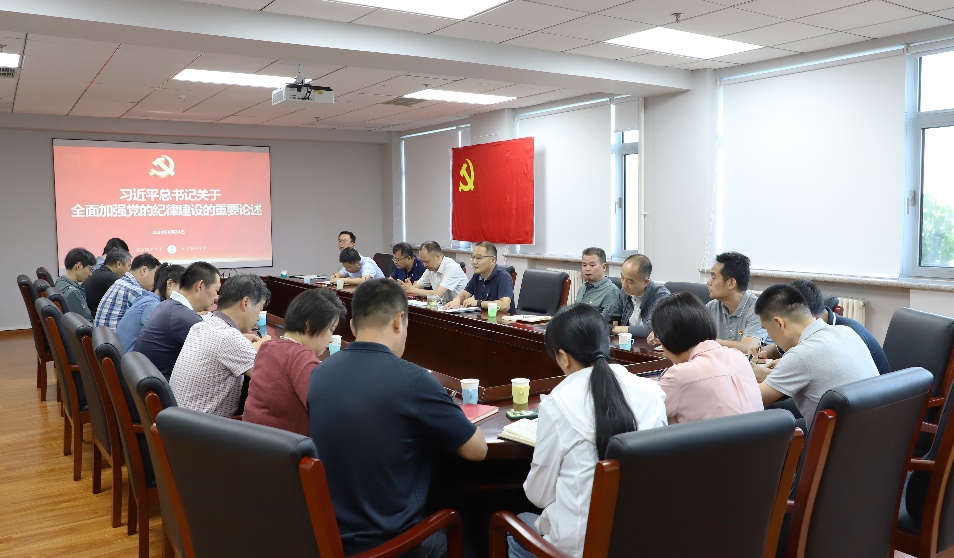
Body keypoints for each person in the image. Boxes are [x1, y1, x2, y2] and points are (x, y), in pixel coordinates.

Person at [308, 279, 487, 556]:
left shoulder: (320, 372)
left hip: (330, 538)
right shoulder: (414, 380)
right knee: (474, 544)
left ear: (353, 326)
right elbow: (477, 450)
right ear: (398, 320)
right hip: (392, 545)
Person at [509, 304, 667, 558]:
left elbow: (538, 496)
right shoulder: (652, 392)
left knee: (513, 526)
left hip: (577, 549)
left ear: (563, 356)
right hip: (641, 540)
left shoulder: (557, 404)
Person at [754, 284, 878, 429]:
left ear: (778, 323)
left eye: (766, 329)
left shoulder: (800, 355)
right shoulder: (847, 332)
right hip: (872, 433)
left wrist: (740, 373)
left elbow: (751, 401)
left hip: (833, 439)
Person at [243, 289, 346, 435]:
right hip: (286, 445)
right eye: (331, 330)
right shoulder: (301, 357)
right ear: (309, 326)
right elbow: (328, 413)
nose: (330, 339)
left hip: (252, 439)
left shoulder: (267, 346)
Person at [652, 292, 763, 424]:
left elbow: (645, 410)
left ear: (668, 338)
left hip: (716, 438)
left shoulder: (680, 375)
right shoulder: (738, 356)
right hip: (760, 436)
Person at [170, 274, 271, 417]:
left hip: (179, 420)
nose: (258, 317)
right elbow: (269, 379)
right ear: (246, 302)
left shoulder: (201, 326)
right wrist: (265, 346)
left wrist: (243, 342)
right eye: (259, 309)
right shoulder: (229, 338)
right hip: (203, 427)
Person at [754, 279, 890, 375]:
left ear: (804, 314)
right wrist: (765, 351)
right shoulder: (813, 330)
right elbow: (782, 350)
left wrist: (773, 374)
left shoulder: (847, 334)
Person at [136, 262, 221, 379]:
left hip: (149, 381)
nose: (216, 298)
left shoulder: (168, 306)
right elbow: (220, 349)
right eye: (216, 290)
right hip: (165, 386)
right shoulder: (183, 317)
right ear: (200, 286)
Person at [703, 251, 768, 352]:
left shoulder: (758, 309)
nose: (708, 282)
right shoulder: (711, 307)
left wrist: (708, 342)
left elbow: (748, 348)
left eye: (713, 277)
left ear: (731, 283)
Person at [116, 263, 185, 352]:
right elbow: (168, 336)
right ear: (170, 284)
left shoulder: (147, 299)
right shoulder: (153, 306)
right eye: (183, 288)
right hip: (133, 357)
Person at [604, 254, 670, 337]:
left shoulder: (662, 297)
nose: (624, 285)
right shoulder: (625, 292)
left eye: (630, 281)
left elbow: (649, 330)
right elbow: (605, 316)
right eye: (622, 278)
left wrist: (612, 329)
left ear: (645, 282)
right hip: (627, 343)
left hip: (647, 344)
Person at [93, 253, 161, 330]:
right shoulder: (136, 291)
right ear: (144, 270)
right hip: (116, 337)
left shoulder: (120, 282)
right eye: (155, 276)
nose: (156, 281)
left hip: (103, 335)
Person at [444, 241, 514, 313]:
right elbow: (464, 295)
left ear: (493, 260)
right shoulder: (477, 276)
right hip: (482, 317)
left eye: (478, 258)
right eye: (473, 257)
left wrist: (478, 303)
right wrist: (456, 301)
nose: (474, 262)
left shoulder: (503, 277)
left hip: (501, 319)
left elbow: (504, 305)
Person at [399, 240, 468, 302]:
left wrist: (413, 290)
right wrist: (406, 287)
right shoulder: (430, 269)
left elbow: (438, 294)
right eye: (422, 262)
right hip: (444, 306)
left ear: (438, 256)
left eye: (427, 262)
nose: (424, 265)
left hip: (463, 308)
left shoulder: (452, 267)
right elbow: (416, 287)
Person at [82, 247, 132, 316]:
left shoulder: (100, 273)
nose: (129, 270)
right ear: (119, 264)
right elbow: (131, 297)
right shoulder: (110, 277)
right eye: (129, 265)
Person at [54, 247, 96, 321]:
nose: (90, 274)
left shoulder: (60, 281)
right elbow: (87, 322)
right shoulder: (73, 293)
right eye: (89, 269)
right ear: (78, 266)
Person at [575, 247, 619, 312]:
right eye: (584, 265)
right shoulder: (583, 287)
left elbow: (609, 317)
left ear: (604, 267)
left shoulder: (611, 291)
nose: (587, 269)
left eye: (592, 265)